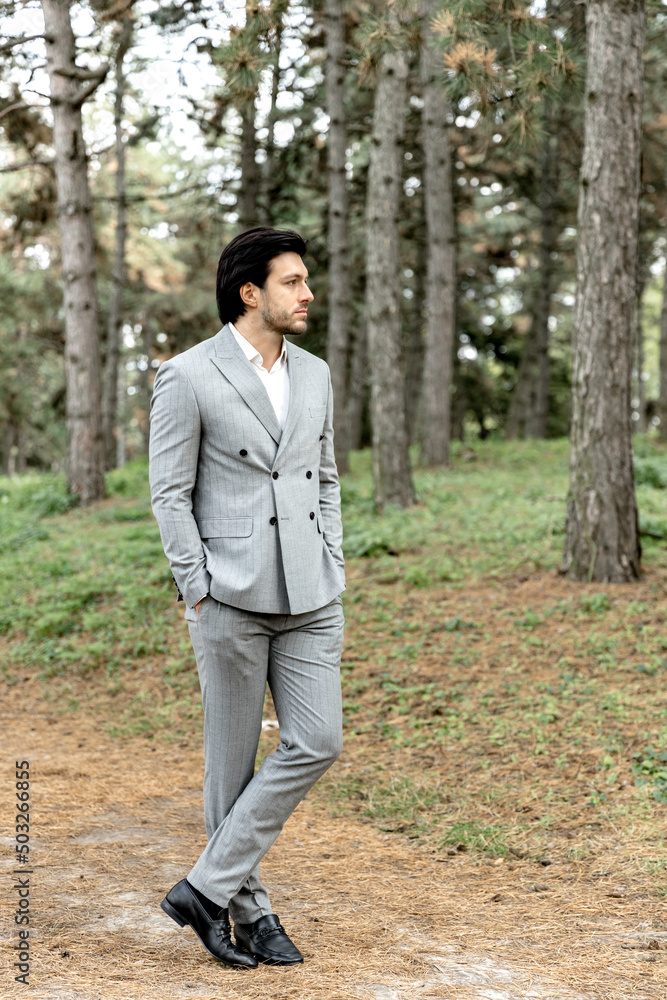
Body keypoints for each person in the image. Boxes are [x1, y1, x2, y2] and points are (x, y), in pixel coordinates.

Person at [149, 227, 345, 969]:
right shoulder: (188, 375)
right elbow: (169, 493)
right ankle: (251, 914)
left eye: (306, 280)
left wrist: (331, 557)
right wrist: (196, 587)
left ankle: (202, 889)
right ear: (250, 292)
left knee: (317, 741)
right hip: (228, 594)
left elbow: (325, 476)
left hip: (311, 593)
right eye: (294, 281)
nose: (307, 294)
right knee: (230, 765)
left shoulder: (315, 374)